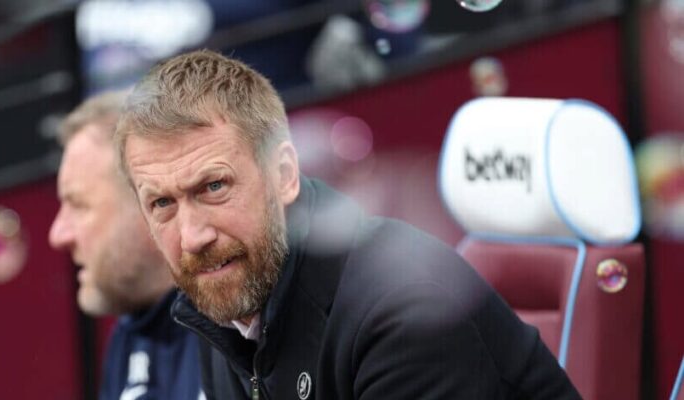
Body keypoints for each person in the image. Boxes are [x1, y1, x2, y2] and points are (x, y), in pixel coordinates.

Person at [113, 50, 582, 399]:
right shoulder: (221, 301)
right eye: (162, 203)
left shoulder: (403, 312)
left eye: (215, 186)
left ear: (284, 176)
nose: (193, 237)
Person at [48, 91, 204, 400]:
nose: (58, 234)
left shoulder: (251, 324)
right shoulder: (130, 335)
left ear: (153, 204)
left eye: (78, 205)